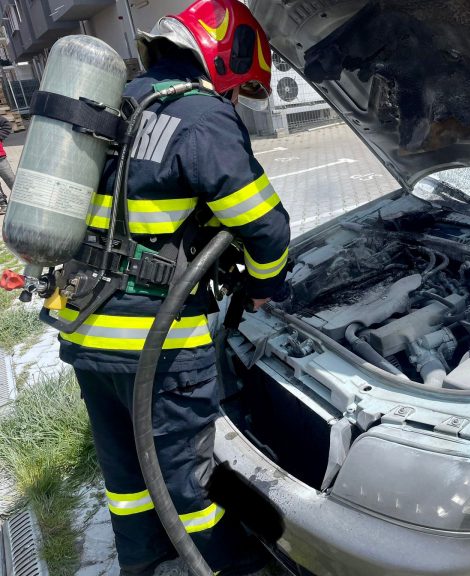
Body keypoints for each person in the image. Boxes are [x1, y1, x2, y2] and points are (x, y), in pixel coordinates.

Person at [57, 0, 290, 574]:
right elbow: (265, 225)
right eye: (236, 90)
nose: (233, 102)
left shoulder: (119, 103)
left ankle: (143, 565)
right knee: (189, 482)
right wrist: (265, 288)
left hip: (87, 326)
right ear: (223, 59)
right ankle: (225, 567)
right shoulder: (201, 116)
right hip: (156, 347)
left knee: (127, 478)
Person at [0, 114, 16, 214]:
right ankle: (3, 205)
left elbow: (7, 125)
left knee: (11, 180)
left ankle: (21, 200)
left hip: (0, 158)